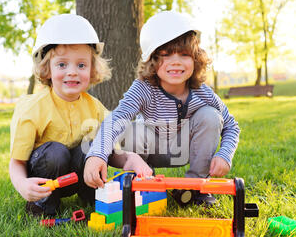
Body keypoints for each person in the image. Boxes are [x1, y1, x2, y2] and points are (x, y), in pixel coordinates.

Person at [84, 11, 240, 207]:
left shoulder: (202, 92)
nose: (176, 61)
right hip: (151, 147)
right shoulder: (144, 88)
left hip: (185, 147)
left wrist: (224, 154)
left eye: (184, 54)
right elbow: (117, 119)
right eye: (166, 54)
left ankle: (194, 189)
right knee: (132, 129)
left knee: (211, 116)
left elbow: (231, 126)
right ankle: (143, 184)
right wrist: (97, 154)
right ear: (152, 59)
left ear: (195, 58)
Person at [9, 14, 150, 217]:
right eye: (62, 65)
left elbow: (110, 150)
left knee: (93, 146)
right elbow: (17, 162)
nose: (72, 72)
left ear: (92, 69)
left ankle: (92, 195)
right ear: (47, 69)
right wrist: (23, 185)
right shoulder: (33, 109)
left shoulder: (95, 107)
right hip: (46, 174)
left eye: (81, 65)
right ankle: (43, 203)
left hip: (78, 174)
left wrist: (131, 159)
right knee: (56, 153)